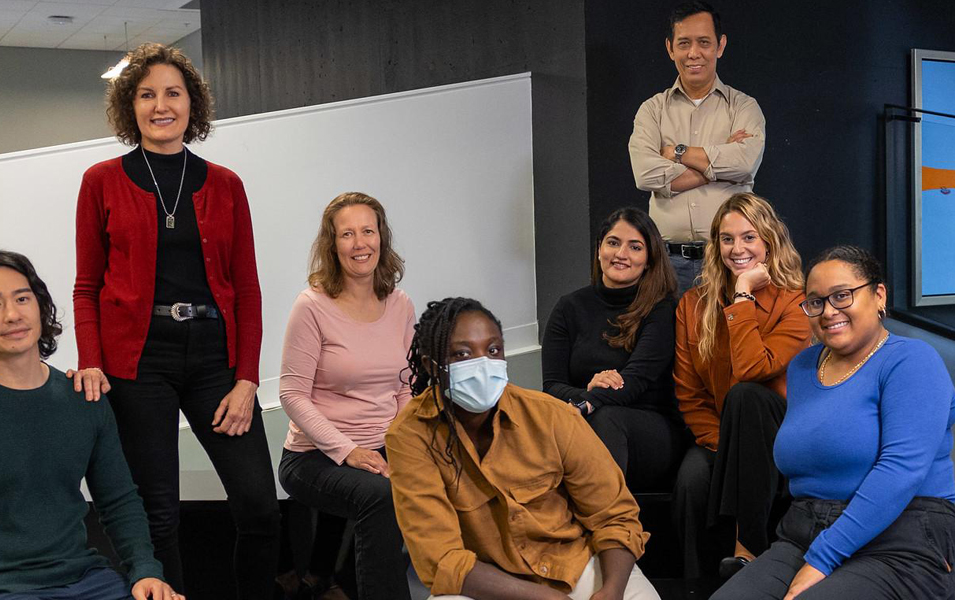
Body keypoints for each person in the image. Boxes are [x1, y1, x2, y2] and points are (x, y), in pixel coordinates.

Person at [71, 42, 279, 598]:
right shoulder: (101, 181)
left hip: (216, 356)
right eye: (146, 95)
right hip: (140, 362)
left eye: (172, 93)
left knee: (259, 503)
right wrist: (91, 361)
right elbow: (86, 287)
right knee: (157, 515)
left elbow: (249, 289)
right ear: (128, 106)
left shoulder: (227, 184)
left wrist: (247, 378)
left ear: (193, 104)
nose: (160, 105)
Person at [0, 250, 181, 600]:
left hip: (88, 580)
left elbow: (119, 500)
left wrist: (145, 571)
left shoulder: (83, 399)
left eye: (22, 298)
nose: (13, 315)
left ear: (40, 307)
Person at [712, 245, 955, 600]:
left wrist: (823, 558)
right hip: (802, 534)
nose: (828, 312)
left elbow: (900, 471)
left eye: (842, 296)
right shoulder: (803, 367)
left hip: (900, 540)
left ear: (878, 295)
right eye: (815, 302)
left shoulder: (912, 361)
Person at [387, 298, 661, 600]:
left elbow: (614, 515)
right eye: (462, 354)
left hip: (573, 564)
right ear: (432, 365)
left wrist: (610, 591)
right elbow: (442, 560)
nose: (483, 364)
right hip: (487, 584)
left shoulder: (552, 416)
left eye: (493, 351)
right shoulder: (410, 436)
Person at [278, 193, 415, 600]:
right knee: (380, 496)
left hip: (384, 445)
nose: (360, 244)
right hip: (314, 456)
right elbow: (291, 393)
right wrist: (349, 451)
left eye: (368, 231)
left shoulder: (400, 303)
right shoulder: (312, 305)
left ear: (381, 238)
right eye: (347, 234)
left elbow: (406, 387)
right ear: (332, 245)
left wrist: (404, 444)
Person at [674, 193, 810, 578]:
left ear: (769, 242)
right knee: (691, 481)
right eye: (727, 238)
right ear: (715, 245)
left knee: (746, 395)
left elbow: (753, 369)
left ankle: (748, 551)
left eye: (749, 237)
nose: (737, 249)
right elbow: (689, 393)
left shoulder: (795, 303)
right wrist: (725, 444)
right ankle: (696, 584)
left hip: (779, 435)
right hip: (718, 436)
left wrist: (743, 295)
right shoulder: (692, 305)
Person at [629, 1, 766, 292]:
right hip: (665, 263)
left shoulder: (744, 108)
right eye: (684, 43)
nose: (694, 53)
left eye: (704, 42)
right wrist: (718, 165)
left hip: (729, 259)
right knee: (670, 338)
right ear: (670, 48)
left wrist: (676, 153)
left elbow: (743, 163)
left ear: (720, 45)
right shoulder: (651, 111)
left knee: (732, 336)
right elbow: (645, 175)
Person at [542, 207, 683, 490]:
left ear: (649, 259)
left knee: (606, 419)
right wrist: (588, 394)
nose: (621, 254)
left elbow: (636, 380)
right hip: (585, 419)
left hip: (650, 430)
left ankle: (612, 527)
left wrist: (591, 400)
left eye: (635, 247)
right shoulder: (568, 307)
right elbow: (552, 386)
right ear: (599, 249)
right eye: (613, 242)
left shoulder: (662, 308)